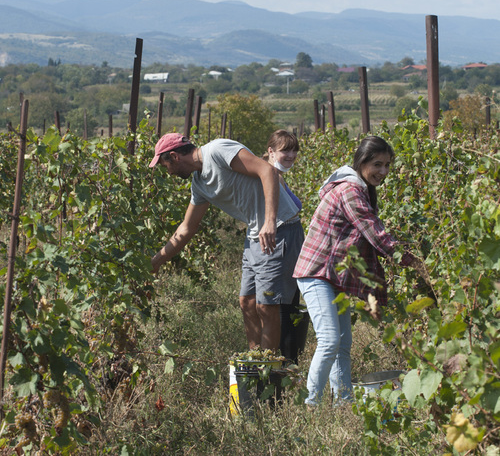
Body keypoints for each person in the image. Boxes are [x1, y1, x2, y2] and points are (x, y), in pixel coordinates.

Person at [293, 135, 419, 407]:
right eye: (377, 164)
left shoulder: (360, 188)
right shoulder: (350, 191)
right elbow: (376, 234)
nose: (383, 172)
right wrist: (414, 261)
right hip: (317, 272)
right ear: (362, 162)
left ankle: (343, 403)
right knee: (328, 341)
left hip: (333, 275)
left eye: (387, 165)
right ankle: (310, 405)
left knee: (342, 345)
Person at [149, 133, 303, 352]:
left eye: (165, 165)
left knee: (266, 307)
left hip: (280, 228)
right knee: (247, 303)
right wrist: (156, 261)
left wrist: (269, 222)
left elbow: (267, 170)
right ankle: (253, 361)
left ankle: (268, 372)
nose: (168, 172)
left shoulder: (218, 151)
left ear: (174, 156)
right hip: (255, 234)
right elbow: (186, 229)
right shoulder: (199, 184)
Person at [264, 130, 305, 364]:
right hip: (281, 242)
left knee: (289, 299)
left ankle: (288, 362)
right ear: (271, 151)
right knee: (283, 302)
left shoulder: (278, 175)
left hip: (291, 240)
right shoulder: (269, 176)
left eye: (294, 150)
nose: (291, 155)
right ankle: (284, 362)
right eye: (285, 150)